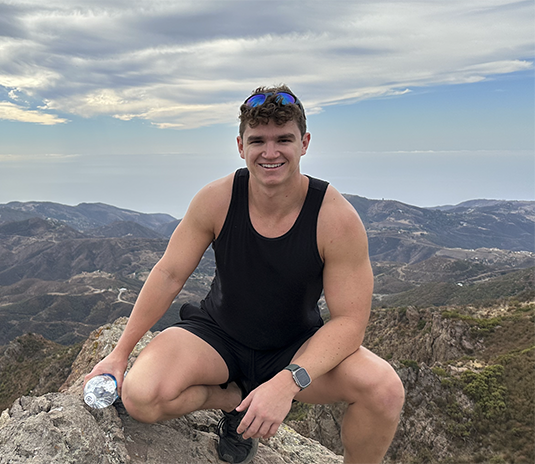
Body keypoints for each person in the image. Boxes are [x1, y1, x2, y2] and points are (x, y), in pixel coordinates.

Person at [84, 85, 405, 464]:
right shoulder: (217, 199)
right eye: (258, 141)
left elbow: (350, 322)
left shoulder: (335, 218)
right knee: (141, 396)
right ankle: (235, 400)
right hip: (219, 336)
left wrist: (286, 383)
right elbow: (169, 273)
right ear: (240, 146)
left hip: (295, 346)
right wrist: (120, 354)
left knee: (384, 390)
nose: (270, 152)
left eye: (283, 139)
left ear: (304, 143)